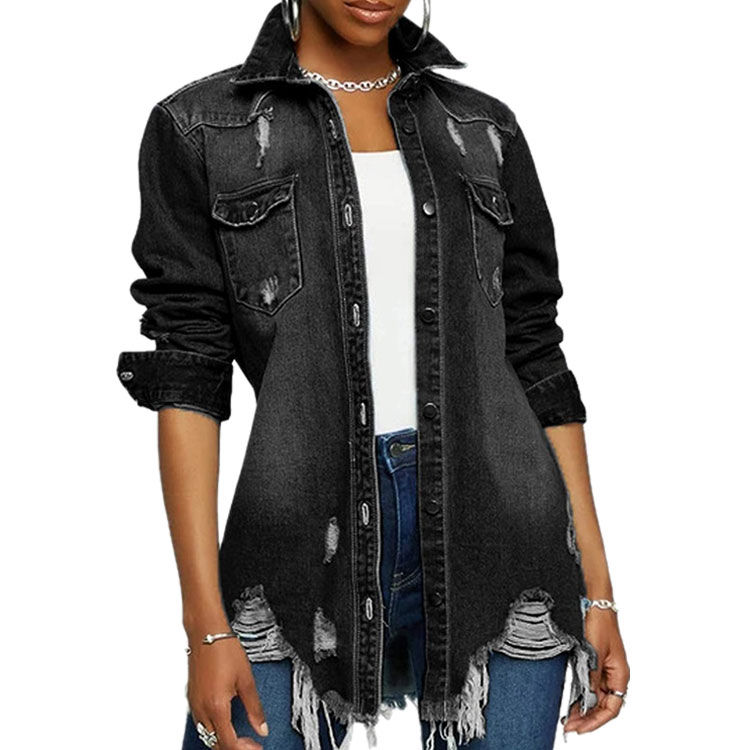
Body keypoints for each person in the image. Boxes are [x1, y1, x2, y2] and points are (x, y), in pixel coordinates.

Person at [117, 1, 630, 748]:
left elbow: (535, 355)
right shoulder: (201, 128)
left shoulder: (483, 128)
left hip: (501, 538)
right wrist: (206, 625)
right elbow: (189, 375)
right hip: (298, 537)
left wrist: (599, 592)